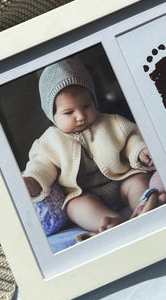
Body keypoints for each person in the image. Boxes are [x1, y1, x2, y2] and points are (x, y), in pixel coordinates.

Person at [23, 58, 158, 234]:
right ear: (52, 114)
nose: (80, 116)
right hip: (84, 194)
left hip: (121, 180)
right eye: (69, 112)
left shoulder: (112, 122)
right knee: (73, 207)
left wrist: (140, 151)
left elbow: (131, 139)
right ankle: (111, 221)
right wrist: (33, 180)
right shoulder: (49, 142)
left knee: (138, 180)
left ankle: (143, 207)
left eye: (86, 106)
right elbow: (42, 164)